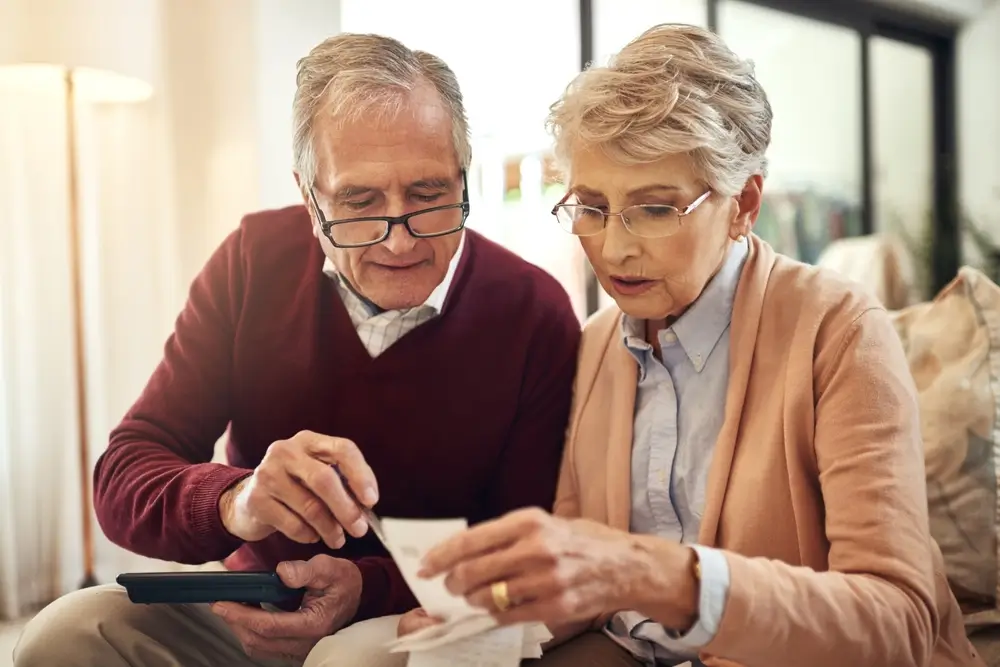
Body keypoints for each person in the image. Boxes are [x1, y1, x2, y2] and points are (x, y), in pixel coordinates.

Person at [311, 23, 987, 667]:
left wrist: (660, 575)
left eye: (656, 208)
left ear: (745, 203)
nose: (615, 246)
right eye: (593, 207)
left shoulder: (839, 331)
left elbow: (896, 620)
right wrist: (490, 610)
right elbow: (579, 557)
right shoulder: (600, 341)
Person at [13, 32, 581, 667]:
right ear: (310, 198)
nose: (399, 241)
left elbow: (525, 549)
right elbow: (123, 477)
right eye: (359, 203)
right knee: (66, 633)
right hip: (257, 606)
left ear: (462, 176)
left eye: (427, 196)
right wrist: (237, 500)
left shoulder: (535, 312)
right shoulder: (255, 261)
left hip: (417, 618)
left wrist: (364, 589)